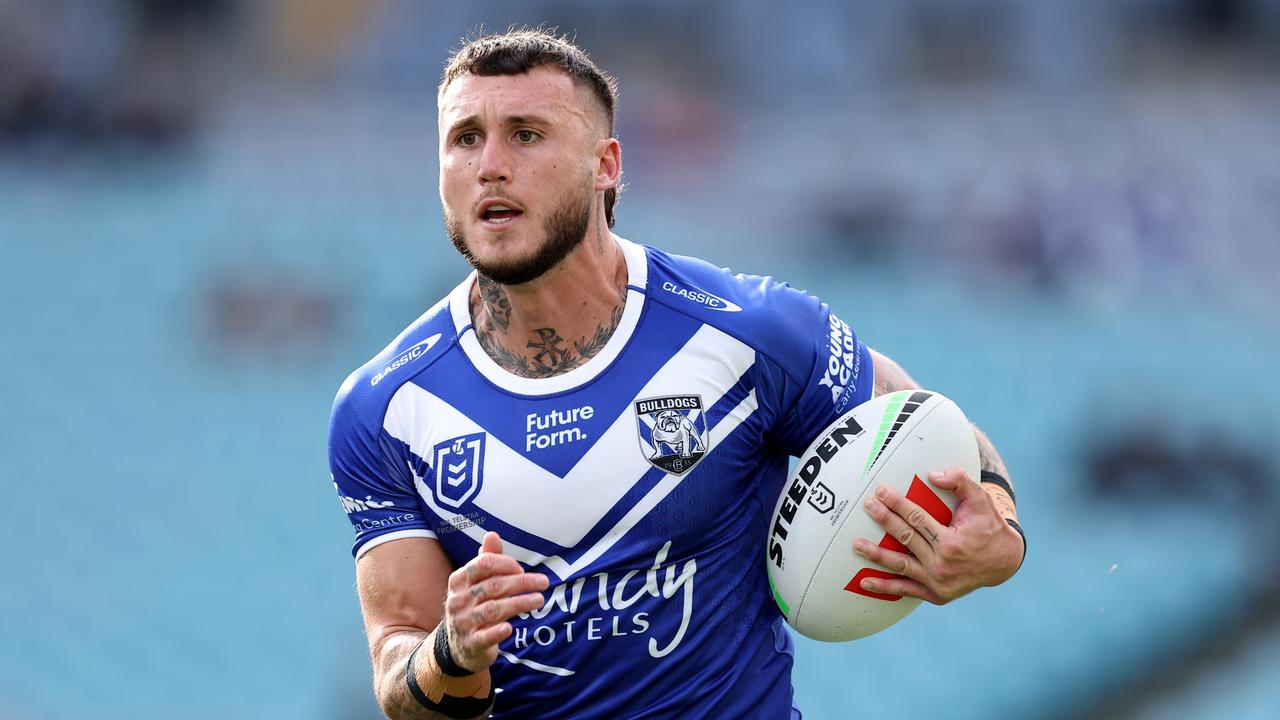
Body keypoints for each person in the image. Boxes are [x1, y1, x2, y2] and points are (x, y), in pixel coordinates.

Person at [328, 28, 1025, 720]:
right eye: (465, 139)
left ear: (604, 165)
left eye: (527, 135)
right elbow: (401, 670)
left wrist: (998, 527)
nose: (490, 166)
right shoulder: (384, 406)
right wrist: (452, 651)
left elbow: (914, 415)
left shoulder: (747, 331)